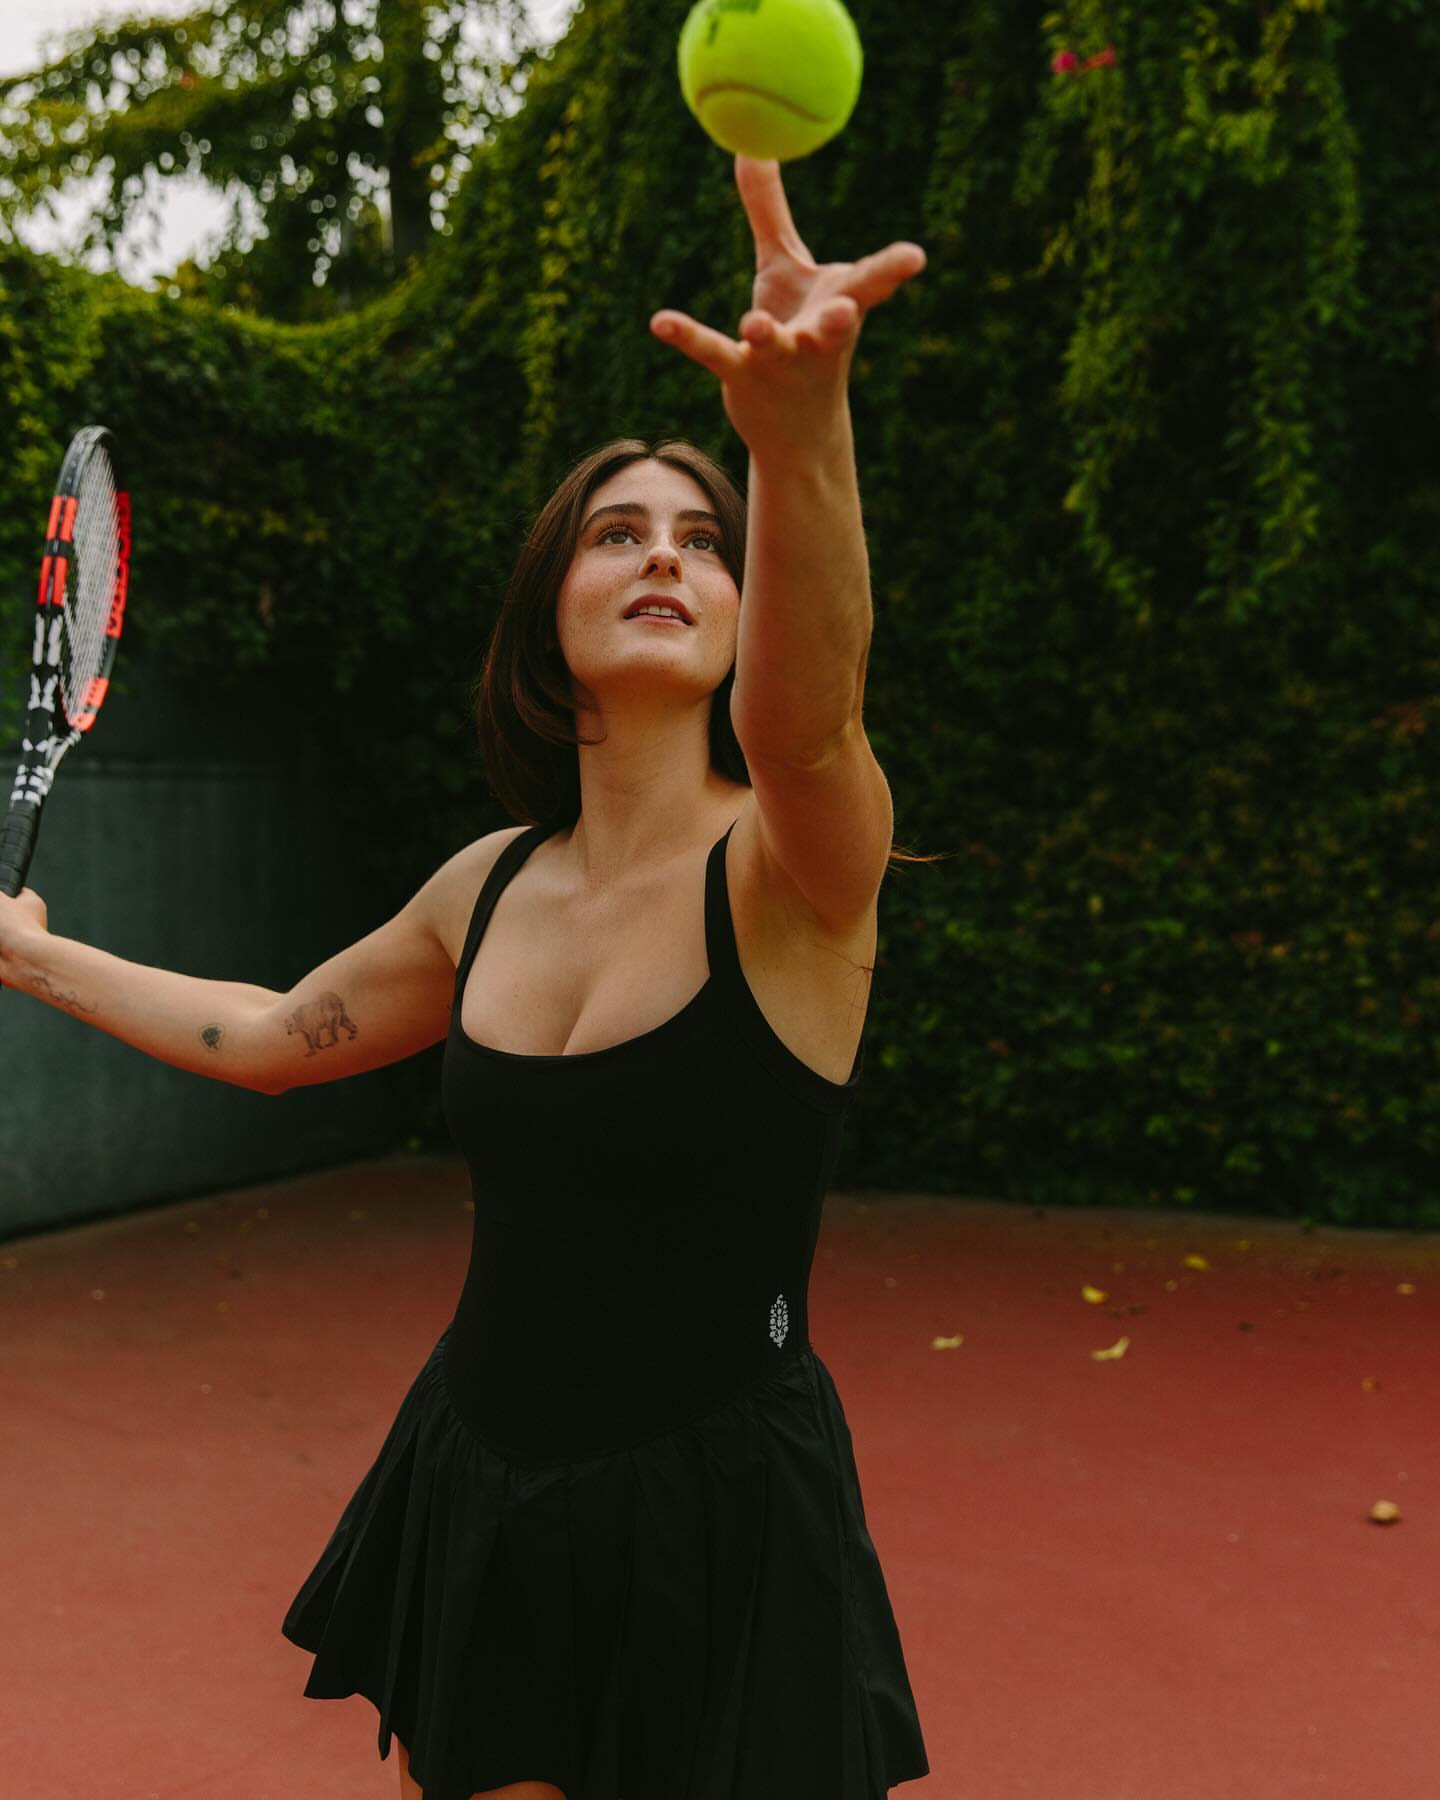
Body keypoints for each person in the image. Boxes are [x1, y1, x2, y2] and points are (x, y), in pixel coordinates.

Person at [0, 157, 932, 1800]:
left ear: (744, 606)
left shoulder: (796, 871)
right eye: (618, 535)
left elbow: (811, 719)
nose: (664, 559)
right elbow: (275, 1035)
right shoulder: (484, 888)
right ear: (548, 608)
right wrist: (30, 955)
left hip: (721, 1515)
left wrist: (800, 441)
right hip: (484, 1477)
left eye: (704, 544)